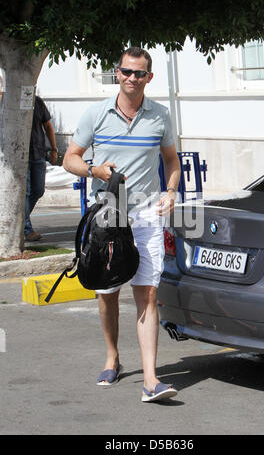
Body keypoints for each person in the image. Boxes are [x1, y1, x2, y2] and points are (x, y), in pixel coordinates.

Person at [63, 47, 181, 403]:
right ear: (117, 73)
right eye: (127, 72)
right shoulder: (96, 113)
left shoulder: (160, 115)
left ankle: (150, 380)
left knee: (147, 291)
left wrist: (171, 191)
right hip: (109, 211)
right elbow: (69, 158)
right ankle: (112, 355)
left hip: (146, 214)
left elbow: (171, 160)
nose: (132, 78)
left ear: (149, 77)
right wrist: (93, 170)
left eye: (140, 73)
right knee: (107, 291)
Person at [25, 96, 58, 242]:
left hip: (38, 152)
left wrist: (54, 148)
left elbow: (47, 125)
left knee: (38, 190)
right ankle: (26, 229)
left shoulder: (37, 101)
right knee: (25, 193)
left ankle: (19, 220)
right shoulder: (6, 101)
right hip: (19, 155)